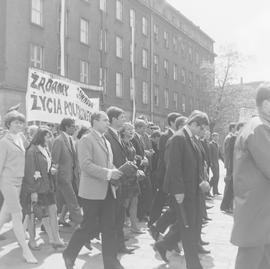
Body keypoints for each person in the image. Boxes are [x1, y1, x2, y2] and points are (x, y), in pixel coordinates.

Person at [62, 111, 124, 269]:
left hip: (108, 190)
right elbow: (85, 165)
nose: (107, 123)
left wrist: (119, 171)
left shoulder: (106, 141)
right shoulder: (86, 139)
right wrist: (109, 173)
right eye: (104, 120)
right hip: (92, 193)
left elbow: (108, 164)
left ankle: (111, 263)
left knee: (109, 227)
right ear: (95, 121)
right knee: (88, 226)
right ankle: (69, 253)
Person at [162, 110, 209, 269]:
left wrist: (202, 181)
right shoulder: (179, 138)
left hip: (193, 191)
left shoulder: (191, 138)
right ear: (194, 124)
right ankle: (193, 265)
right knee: (188, 228)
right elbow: (174, 167)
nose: (202, 131)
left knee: (191, 227)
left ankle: (163, 245)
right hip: (184, 193)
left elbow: (194, 166)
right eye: (201, 127)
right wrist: (178, 191)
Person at [231, 84, 270, 269]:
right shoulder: (260, 128)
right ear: (266, 105)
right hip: (259, 215)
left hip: (258, 213)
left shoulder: (257, 126)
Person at [0, 109, 37, 264]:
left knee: (5, 212)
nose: (19, 125)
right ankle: (26, 251)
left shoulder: (21, 138)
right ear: (8, 124)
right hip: (8, 181)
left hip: (19, 181)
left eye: (21, 123)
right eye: (16, 122)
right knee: (17, 214)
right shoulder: (3, 142)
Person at [21, 127, 65, 251]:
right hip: (37, 188)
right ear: (41, 136)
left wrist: (51, 170)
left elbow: (46, 167)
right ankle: (32, 241)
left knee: (52, 212)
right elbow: (29, 173)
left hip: (47, 186)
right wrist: (33, 191)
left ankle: (56, 239)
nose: (49, 139)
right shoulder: (31, 151)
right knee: (33, 214)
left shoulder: (45, 149)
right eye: (47, 136)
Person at [104, 106, 135, 254]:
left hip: (121, 180)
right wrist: (118, 171)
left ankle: (120, 246)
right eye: (122, 117)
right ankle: (112, 247)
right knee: (113, 217)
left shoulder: (116, 135)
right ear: (114, 119)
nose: (124, 120)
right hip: (113, 181)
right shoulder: (107, 135)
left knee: (120, 215)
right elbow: (108, 160)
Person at [148, 112, 181, 229]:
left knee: (167, 199)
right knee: (160, 199)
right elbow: (164, 157)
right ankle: (153, 222)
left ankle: (162, 224)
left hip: (171, 173)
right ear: (172, 122)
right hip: (164, 173)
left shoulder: (177, 135)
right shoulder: (165, 136)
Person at [52, 118, 82, 227]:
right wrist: (59, 176)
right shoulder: (59, 140)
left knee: (60, 203)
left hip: (72, 176)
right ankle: (82, 225)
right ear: (66, 127)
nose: (75, 128)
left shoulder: (70, 139)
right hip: (63, 177)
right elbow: (54, 160)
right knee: (73, 202)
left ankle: (46, 223)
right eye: (73, 126)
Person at [119, 122, 142, 234]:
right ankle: (122, 227)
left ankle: (134, 226)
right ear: (123, 131)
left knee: (135, 201)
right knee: (125, 203)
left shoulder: (130, 143)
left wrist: (138, 159)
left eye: (132, 129)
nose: (132, 131)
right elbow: (122, 160)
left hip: (133, 176)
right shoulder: (121, 143)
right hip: (125, 177)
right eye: (129, 129)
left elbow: (132, 157)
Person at [220, 122, 244, 213]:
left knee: (232, 188)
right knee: (230, 187)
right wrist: (230, 169)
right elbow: (229, 154)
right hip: (232, 167)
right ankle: (226, 206)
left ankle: (227, 206)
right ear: (238, 128)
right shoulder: (233, 138)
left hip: (237, 166)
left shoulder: (239, 138)